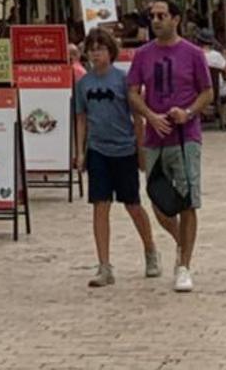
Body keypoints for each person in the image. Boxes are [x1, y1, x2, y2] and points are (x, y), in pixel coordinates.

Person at [127, 0, 213, 293]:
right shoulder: (142, 55)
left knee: (187, 200)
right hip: (155, 137)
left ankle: (185, 265)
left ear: (176, 19)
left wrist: (187, 112)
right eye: (152, 15)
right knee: (160, 202)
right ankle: (181, 241)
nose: (156, 20)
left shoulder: (192, 54)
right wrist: (149, 115)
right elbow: (133, 92)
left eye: (162, 15)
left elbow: (207, 92)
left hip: (184, 136)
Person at [72, 26, 159, 288]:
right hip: (98, 150)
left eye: (100, 49)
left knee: (132, 204)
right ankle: (104, 265)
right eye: (92, 49)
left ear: (110, 52)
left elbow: (137, 116)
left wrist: (140, 148)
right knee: (100, 205)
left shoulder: (123, 80)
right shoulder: (83, 84)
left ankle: (150, 249)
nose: (96, 54)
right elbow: (81, 118)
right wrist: (79, 151)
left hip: (124, 149)